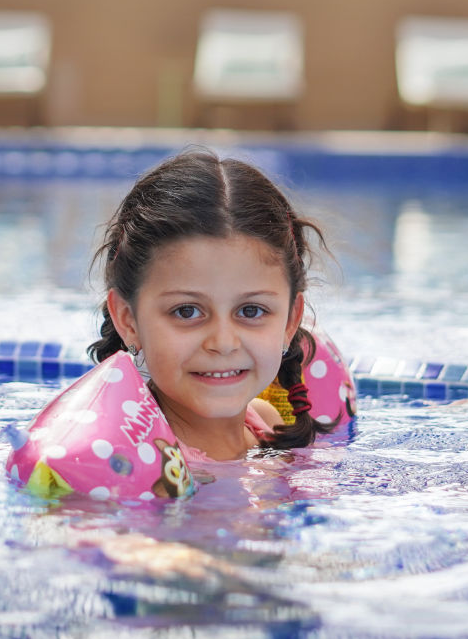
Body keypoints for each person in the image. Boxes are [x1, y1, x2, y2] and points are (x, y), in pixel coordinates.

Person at [87, 148, 329, 463]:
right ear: (128, 320)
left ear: (289, 321)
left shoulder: (266, 424)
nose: (223, 343)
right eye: (186, 311)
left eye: (251, 311)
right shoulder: (127, 460)